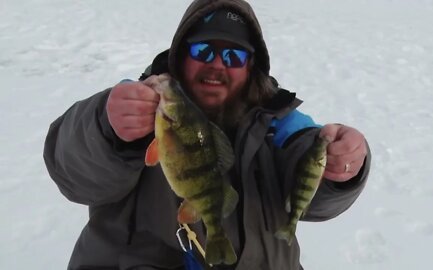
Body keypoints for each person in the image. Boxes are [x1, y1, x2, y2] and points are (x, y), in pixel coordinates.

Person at [43, 0, 371, 269]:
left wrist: (343, 167)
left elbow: (310, 186)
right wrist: (105, 126)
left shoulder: (282, 126)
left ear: (251, 66)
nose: (217, 65)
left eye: (233, 55)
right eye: (203, 51)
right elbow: (72, 172)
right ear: (180, 55)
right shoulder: (139, 108)